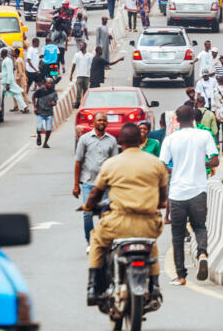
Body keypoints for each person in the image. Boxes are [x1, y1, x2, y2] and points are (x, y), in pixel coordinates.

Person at [84, 123, 167, 304]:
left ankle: (92, 287)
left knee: (96, 240)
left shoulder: (111, 164)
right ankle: (154, 286)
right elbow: (163, 199)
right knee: (151, 244)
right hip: (148, 224)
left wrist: (88, 206)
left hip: (117, 223)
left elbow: (95, 193)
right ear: (141, 140)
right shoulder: (156, 164)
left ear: (120, 141)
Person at [159, 105, 219, 286]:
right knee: (199, 226)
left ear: (176, 119)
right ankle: (202, 253)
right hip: (199, 191)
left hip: (177, 194)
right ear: (193, 117)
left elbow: (162, 165)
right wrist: (202, 163)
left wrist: (174, 168)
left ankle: (181, 275)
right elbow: (215, 160)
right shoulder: (204, 135)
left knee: (177, 235)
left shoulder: (170, 139)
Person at [73, 113, 120, 246]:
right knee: (87, 213)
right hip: (88, 182)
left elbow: (114, 163)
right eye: (99, 120)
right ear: (94, 122)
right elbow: (78, 162)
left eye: (104, 120)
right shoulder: (84, 139)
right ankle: (90, 242)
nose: (102, 122)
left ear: (107, 123)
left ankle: (103, 240)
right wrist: (76, 185)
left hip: (105, 184)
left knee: (104, 214)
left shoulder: (111, 140)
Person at [0, 49, 28, 113]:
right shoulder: (8, 60)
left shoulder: (7, 61)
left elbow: (9, 72)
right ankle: (25, 107)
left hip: (7, 81)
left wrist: (8, 83)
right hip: (7, 81)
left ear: (2, 54)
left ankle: (25, 107)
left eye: (1, 54)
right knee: (16, 94)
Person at [33, 77, 58, 148]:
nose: (50, 84)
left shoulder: (54, 92)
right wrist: (35, 107)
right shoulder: (40, 91)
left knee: (49, 129)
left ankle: (45, 143)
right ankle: (39, 135)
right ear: (45, 83)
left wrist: (52, 104)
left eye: (51, 83)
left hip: (49, 113)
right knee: (39, 128)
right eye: (49, 83)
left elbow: (55, 102)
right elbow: (33, 97)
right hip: (40, 112)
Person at [69, 42, 93, 108]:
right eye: (79, 45)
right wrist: (71, 75)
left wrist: (91, 75)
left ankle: (85, 103)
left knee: (86, 90)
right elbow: (74, 65)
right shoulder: (77, 55)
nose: (80, 46)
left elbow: (91, 66)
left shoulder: (90, 55)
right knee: (79, 91)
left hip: (87, 75)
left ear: (85, 46)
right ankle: (78, 103)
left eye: (81, 45)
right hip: (79, 75)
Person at [13, 48, 32, 112]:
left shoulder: (18, 61)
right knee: (16, 92)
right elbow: (25, 70)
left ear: (16, 53)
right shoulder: (20, 59)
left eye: (13, 52)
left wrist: (17, 79)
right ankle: (16, 106)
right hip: (22, 77)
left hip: (21, 78)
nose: (13, 54)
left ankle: (26, 107)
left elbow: (20, 72)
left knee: (23, 93)